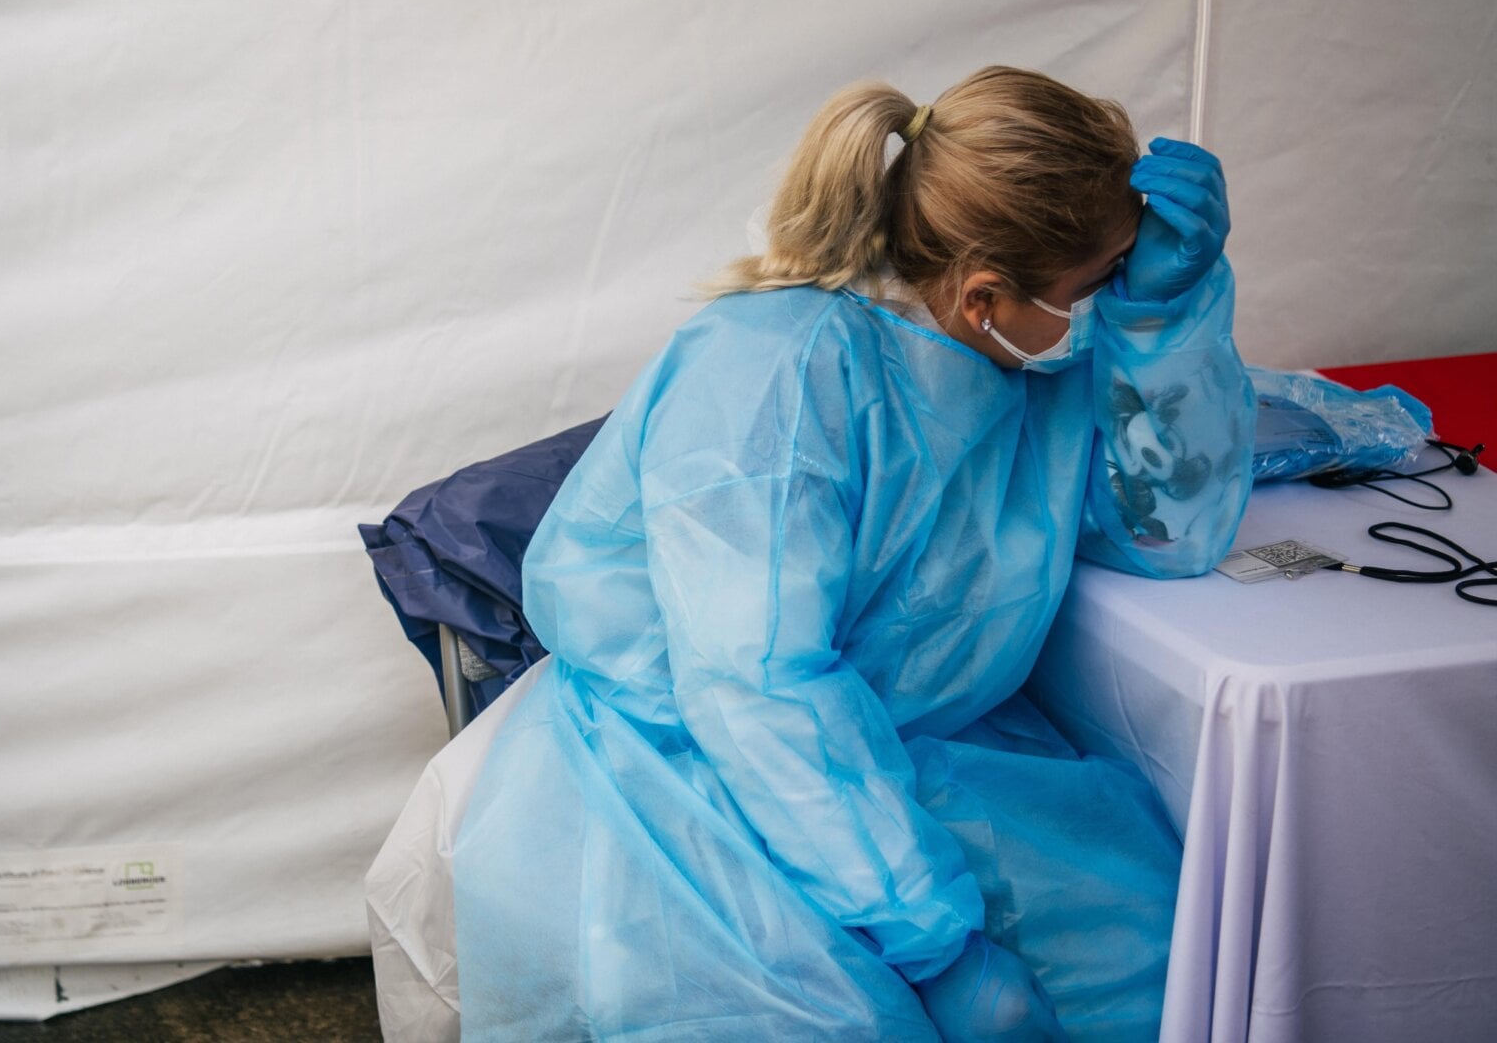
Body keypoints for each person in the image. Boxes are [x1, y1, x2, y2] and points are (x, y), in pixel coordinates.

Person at [370, 65, 1253, 1042]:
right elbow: (755, 683)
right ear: (982, 294)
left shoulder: (1020, 362)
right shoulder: (770, 381)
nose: (1107, 305)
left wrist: (1166, 317)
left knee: (1161, 964)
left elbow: (1167, 533)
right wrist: (938, 944)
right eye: (1101, 286)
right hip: (683, 774)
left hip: (898, 751)